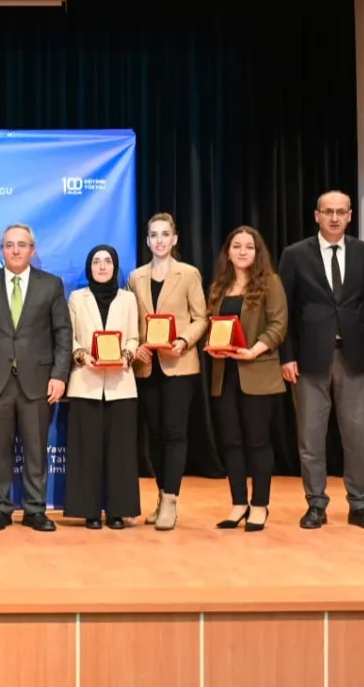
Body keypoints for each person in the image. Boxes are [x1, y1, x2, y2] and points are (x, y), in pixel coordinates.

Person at [277, 190, 364, 531]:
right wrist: (287, 356)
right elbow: (284, 310)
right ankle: (316, 503)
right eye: (328, 212)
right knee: (311, 437)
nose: (335, 218)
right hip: (309, 360)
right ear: (317, 215)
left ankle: (360, 504)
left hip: (355, 358)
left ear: (350, 215)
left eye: (341, 212)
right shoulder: (295, 254)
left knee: (357, 437)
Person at [0, 223, 72, 532]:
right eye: (9, 245)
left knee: (36, 449)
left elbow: (63, 334)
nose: (15, 250)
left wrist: (59, 375)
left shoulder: (50, 285)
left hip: (37, 381)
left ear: (32, 250)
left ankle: (35, 509)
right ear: (1, 250)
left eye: (21, 245)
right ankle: (0, 509)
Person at [128, 213, 209, 530]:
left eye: (165, 234)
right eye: (154, 235)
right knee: (155, 434)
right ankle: (161, 496)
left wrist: (184, 341)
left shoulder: (188, 274)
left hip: (179, 364)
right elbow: (132, 320)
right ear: (147, 241)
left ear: (174, 239)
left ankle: (172, 500)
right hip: (147, 365)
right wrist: (136, 346)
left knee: (175, 432)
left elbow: (201, 318)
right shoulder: (135, 277)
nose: (159, 240)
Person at [206, 226, 287, 532]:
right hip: (224, 374)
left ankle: (260, 505)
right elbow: (213, 325)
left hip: (258, 373)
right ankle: (239, 503)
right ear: (228, 252)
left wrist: (254, 350)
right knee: (231, 441)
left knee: (258, 442)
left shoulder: (270, 283)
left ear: (257, 252)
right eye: (236, 246)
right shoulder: (219, 287)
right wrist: (213, 346)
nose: (242, 252)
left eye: (249, 247)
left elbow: (278, 325)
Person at [65, 245, 140, 529]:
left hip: (121, 384)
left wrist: (127, 356)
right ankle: (90, 511)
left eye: (108, 261)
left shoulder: (128, 299)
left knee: (120, 451)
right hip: (86, 381)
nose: (102, 266)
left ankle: (118, 511)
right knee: (87, 451)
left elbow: (134, 337)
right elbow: (69, 337)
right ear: (89, 267)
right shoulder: (77, 298)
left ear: (115, 266)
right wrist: (82, 356)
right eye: (96, 261)